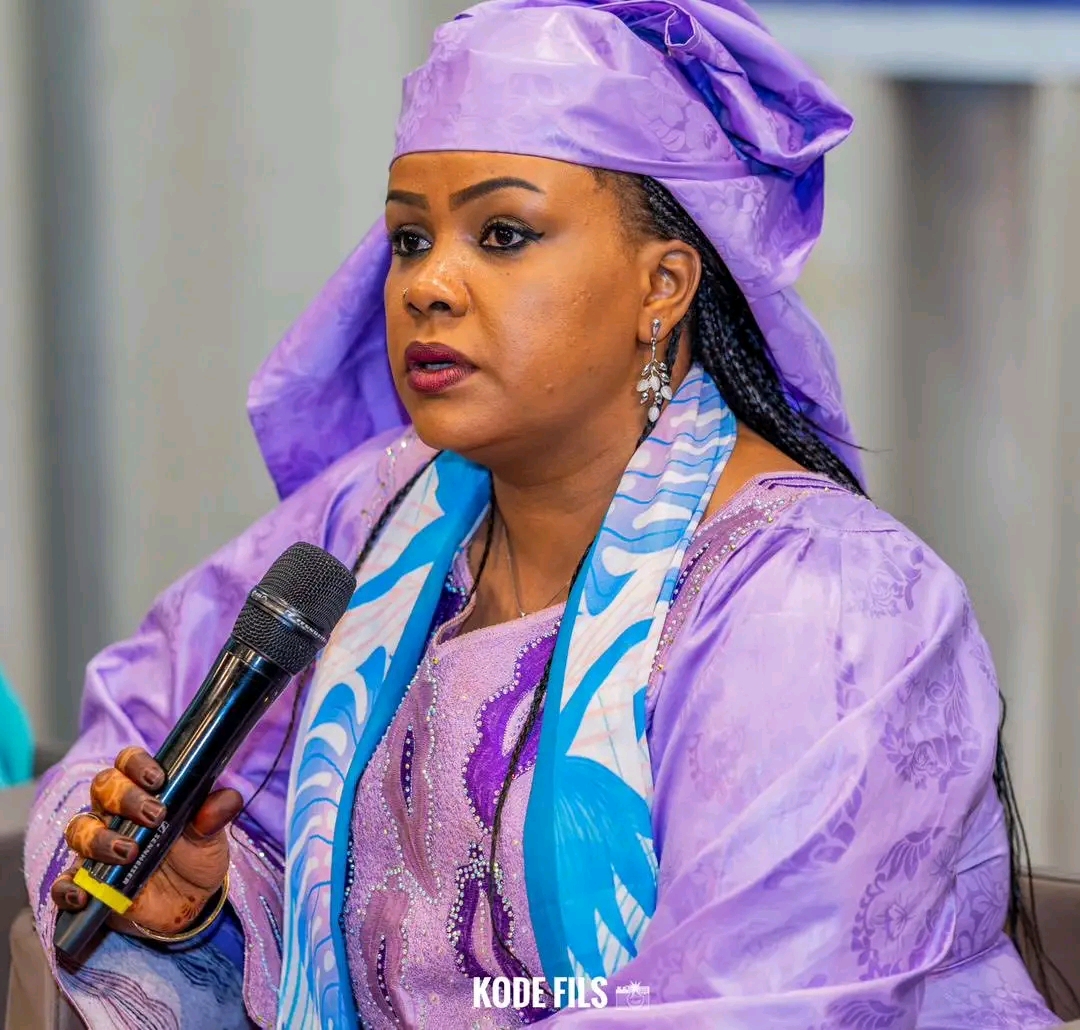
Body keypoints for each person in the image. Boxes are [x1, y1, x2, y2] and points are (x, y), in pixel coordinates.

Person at [27, 1, 1063, 1027]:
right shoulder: (379, 514)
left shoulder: (820, 605)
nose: (429, 284)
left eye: (503, 234)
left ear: (663, 285)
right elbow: (132, 734)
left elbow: (752, 1007)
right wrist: (207, 910)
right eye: (409, 238)